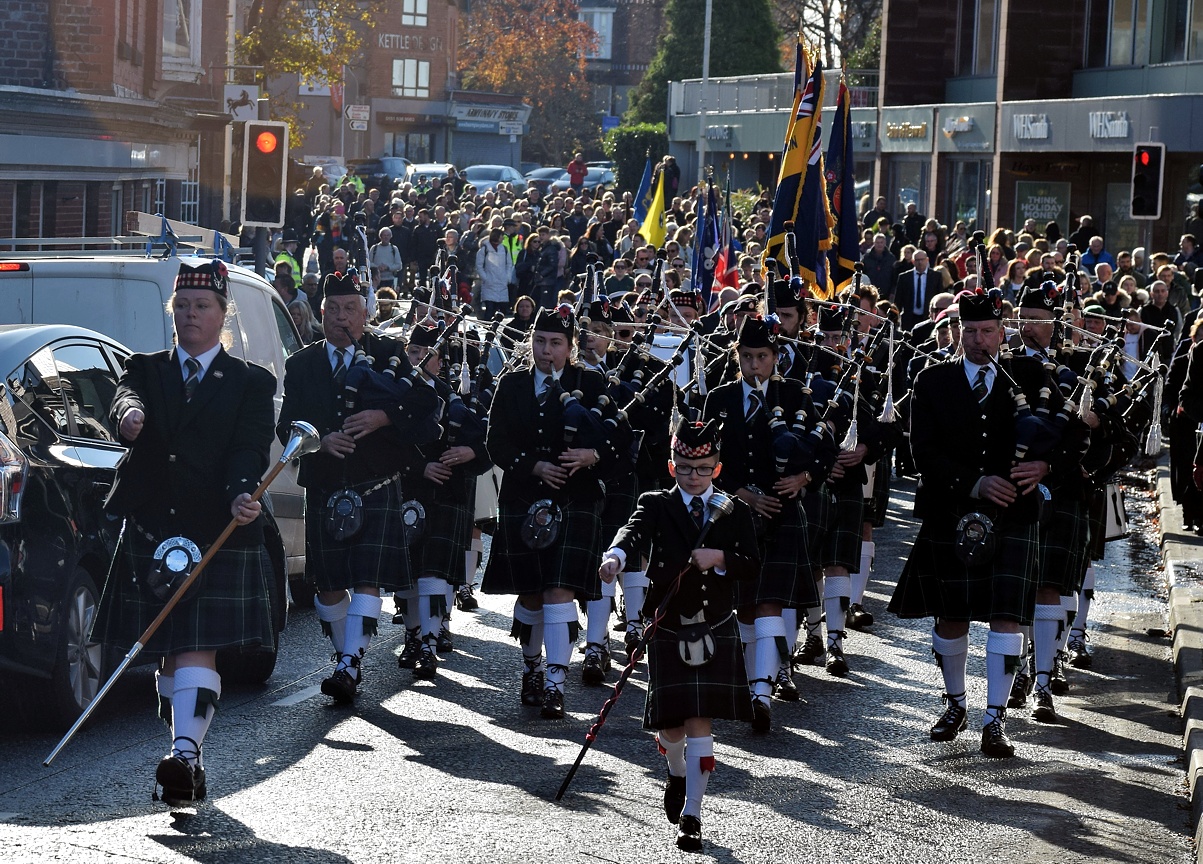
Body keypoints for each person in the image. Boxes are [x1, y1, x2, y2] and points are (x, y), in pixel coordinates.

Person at [94, 258, 277, 805]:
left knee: (195, 646)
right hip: (152, 525)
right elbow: (124, 399)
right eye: (182, 306)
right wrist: (126, 418)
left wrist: (243, 493)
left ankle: (183, 755)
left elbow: (249, 447)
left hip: (215, 525)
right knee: (171, 652)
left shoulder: (249, 383)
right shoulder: (146, 370)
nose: (190, 315)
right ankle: (184, 750)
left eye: (202, 306)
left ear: (224, 314)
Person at [890, 288, 1066, 758]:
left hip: (1013, 512)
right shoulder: (932, 382)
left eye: (987, 330)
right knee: (951, 614)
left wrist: (1045, 467)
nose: (977, 339)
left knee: (1007, 616)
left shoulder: (1030, 376)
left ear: (1002, 332)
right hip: (953, 508)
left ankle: (995, 718)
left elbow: (1067, 438)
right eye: (968, 331)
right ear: (957, 332)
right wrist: (974, 483)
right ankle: (955, 703)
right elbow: (922, 452)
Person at [276, 271, 441, 704]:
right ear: (321, 313)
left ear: (365, 314)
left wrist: (385, 418)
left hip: (375, 481)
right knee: (328, 584)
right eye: (334, 309)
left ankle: (349, 665)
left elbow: (426, 405)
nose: (342, 318)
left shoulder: (389, 354)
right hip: (327, 483)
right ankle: (346, 655)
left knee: (367, 578)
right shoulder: (302, 364)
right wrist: (320, 440)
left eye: (351, 309)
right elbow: (286, 425)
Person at [598, 418, 760, 853]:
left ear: (717, 468)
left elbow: (753, 562)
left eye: (704, 468)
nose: (695, 477)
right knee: (672, 729)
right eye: (686, 468)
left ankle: (693, 815)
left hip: (715, 624)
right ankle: (675, 769)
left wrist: (720, 555)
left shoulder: (734, 510)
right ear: (672, 467)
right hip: (669, 623)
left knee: (699, 719)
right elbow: (631, 532)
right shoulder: (656, 503)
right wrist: (614, 557)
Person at [481, 303, 622, 718]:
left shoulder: (590, 383)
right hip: (524, 496)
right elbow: (496, 444)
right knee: (531, 592)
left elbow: (621, 441)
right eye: (539, 341)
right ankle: (532, 668)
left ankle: (556, 683)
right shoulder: (512, 386)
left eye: (556, 343)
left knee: (559, 589)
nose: (546, 351)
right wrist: (533, 464)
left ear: (570, 347)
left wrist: (591, 456)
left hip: (575, 498)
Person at [476, 226, 517, 319]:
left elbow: (509, 264)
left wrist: (507, 277)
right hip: (489, 283)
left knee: (501, 309)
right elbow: (479, 265)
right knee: (490, 308)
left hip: (502, 282)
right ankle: (487, 326)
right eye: (502, 236)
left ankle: (495, 326)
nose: (503, 238)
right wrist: (485, 278)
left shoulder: (505, 249)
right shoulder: (484, 249)